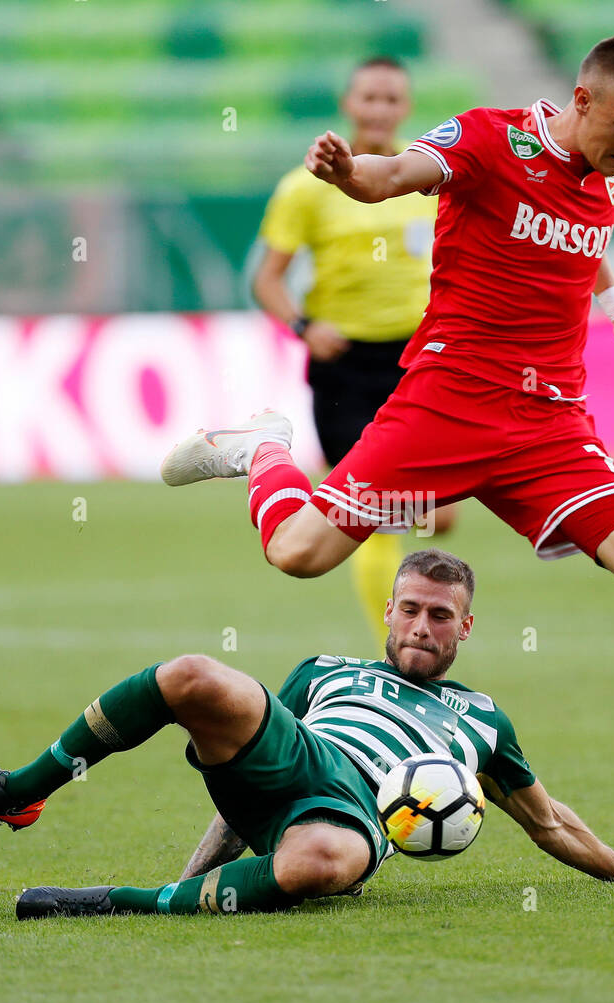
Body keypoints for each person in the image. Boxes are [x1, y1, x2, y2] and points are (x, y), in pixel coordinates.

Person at [162, 34, 614, 768]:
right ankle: (264, 447)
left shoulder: (610, 165)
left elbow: (586, 237)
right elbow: (397, 173)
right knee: (298, 552)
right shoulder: (489, 139)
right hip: (447, 404)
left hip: (549, 424)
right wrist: (352, 177)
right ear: (581, 100)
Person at [0, 550, 614, 918]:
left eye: (439, 614)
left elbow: (548, 822)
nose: (420, 626)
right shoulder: (326, 670)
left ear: (467, 626)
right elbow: (242, 783)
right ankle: (17, 792)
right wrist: (204, 859)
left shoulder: (482, 719)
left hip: (355, 816)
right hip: (305, 754)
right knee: (192, 674)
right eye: (409, 608)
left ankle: (121, 902)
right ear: (388, 610)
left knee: (322, 862)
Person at [252, 55, 457, 648]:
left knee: (440, 516)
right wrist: (303, 324)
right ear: (348, 103)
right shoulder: (305, 186)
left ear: (406, 108)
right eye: (369, 98)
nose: (379, 109)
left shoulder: (425, 177)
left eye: (391, 99)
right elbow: (267, 279)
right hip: (344, 365)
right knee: (374, 520)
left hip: (418, 362)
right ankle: (396, 655)